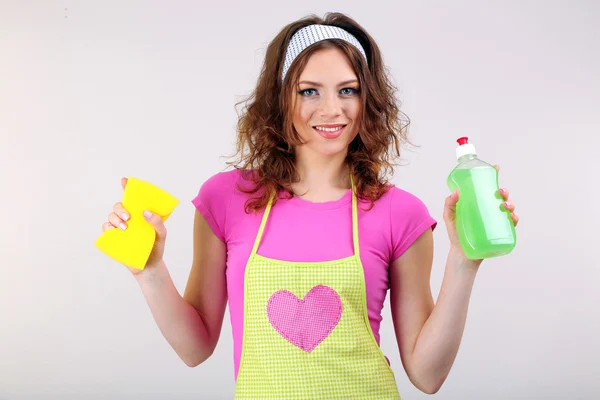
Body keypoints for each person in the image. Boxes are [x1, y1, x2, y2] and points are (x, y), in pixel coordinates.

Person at [101, 12, 519, 399]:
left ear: (367, 99)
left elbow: (427, 376)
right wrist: (149, 271)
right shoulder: (225, 199)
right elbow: (195, 349)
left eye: (348, 90)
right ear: (281, 99)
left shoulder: (400, 214)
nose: (331, 109)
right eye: (309, 91)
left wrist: (464, 261)